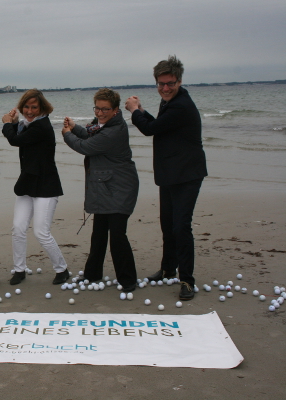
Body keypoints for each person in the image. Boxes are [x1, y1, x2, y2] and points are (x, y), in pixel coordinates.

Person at [125, 55, 207, 300]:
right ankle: (168, 269)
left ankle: (187, 280)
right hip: (171, 173)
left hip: (187, 174)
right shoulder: (170, 102)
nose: (165, 88)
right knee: (168, 225)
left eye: (170, 83)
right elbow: (161, 125)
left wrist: (133, 111)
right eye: (161, 84)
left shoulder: (181, 105)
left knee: (181, 226)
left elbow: (150, 129)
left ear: (179, 81)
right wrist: (141, 110)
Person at [62, 88, 139, 292]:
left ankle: (128, 280)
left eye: (105, 109)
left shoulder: (115, 130)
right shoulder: (101, 125)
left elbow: (85, 147)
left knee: (117, 235)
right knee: (98, 234)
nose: (100, 113)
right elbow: (89, 133)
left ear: (115, 110)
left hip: (120, 188)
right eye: (97, 108)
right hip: (105, 186)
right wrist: (75, 127)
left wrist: (67, 134)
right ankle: (92, 274)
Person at [1, 89, 69, 285]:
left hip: (46, 185)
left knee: (41, 231)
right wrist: (13, 123)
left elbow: (15, 140)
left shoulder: (42, 126)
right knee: (18, 228)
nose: (29, 111)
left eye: (34, 107)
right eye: (26, 107)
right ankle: (19, 269)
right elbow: (19, 134)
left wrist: (7, 123)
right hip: (28, 183)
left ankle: (62, 269)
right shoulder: (26, 125)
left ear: (42, 108)